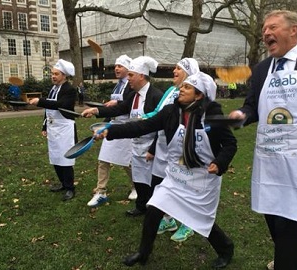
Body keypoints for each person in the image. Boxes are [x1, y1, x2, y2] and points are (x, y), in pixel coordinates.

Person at [95, 71, 237, 268]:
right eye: (183, 86)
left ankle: (226, 249)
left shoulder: (211, 116)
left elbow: (230, 144)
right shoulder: (171, 112)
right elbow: (142, 126)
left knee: (200, 217)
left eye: (187, 87)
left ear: (199, 95)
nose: (181, 89)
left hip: (202, 177)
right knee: (153, 208)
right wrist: (111, 131)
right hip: (176, 175)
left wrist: (220, 163)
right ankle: (143, 253)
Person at [229, 10, 297, 270]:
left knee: (292, 220)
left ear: (293, 30)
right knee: (274, 218)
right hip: (269, 162)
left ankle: (288, 259)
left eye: (272, 28)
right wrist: (242, 115)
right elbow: (252, 107)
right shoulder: (261, 69)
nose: (266, 33)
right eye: (264, 30)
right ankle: (291, 252)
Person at [82, 56, 163, 217]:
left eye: (131, 75)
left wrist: (154, 148)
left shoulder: (156, 96)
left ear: (141, 75)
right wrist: (96, 111)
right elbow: (118, 109)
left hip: (152, 148)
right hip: (136, 144)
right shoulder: (134, 95)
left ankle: (156, 211)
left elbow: (162, 126)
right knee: (139, 179)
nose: (128, 78)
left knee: (153, 182)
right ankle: (141, 207)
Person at [143, 58, 200, 242]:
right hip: (162, 149)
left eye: (178, 68)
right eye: (174, 67)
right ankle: (168, 219)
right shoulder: (170, 91)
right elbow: (159, 116)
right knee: (159, 186)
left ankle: (188, 224)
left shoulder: (194, 96)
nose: (174, 71)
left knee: (185, 188)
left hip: (181, 149)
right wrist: (152, 146)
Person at [87, 55, 136, 207]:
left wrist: (117, 103)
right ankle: (101, 192)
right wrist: (104, 125)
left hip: (127, 127)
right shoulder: (117, 86)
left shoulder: (132, 86)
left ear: (128, 69)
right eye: (115, 66)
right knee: (104, 159)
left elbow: (129, 105)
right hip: (114, 124)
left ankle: (136, 186)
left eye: (120, 66)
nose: (116, 68)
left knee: (127, 162)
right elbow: (112, 110)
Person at [29, 59, 78, 201]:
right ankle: (63, 183)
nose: (53, 76)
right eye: (52, 74)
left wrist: (40, 101)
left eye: (56, 74)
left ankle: (70, 188)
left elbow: (60, 105)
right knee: (55, 157)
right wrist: (44, 126)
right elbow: (48, 109)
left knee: (66, 158)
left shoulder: (69, 90)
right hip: (53, 128)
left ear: (64, 75)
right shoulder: (53, 89)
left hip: (64, 128)